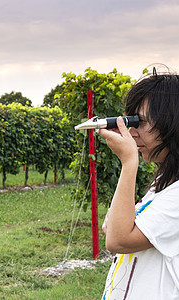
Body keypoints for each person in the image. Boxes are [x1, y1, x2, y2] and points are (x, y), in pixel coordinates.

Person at [99, 69, 179, 299]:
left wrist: (128, 162)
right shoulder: (163, 185)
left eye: (140, 122)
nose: (132, 133)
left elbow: (117, 239)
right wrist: (121, 223)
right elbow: (113, 227)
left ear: (172, 123)